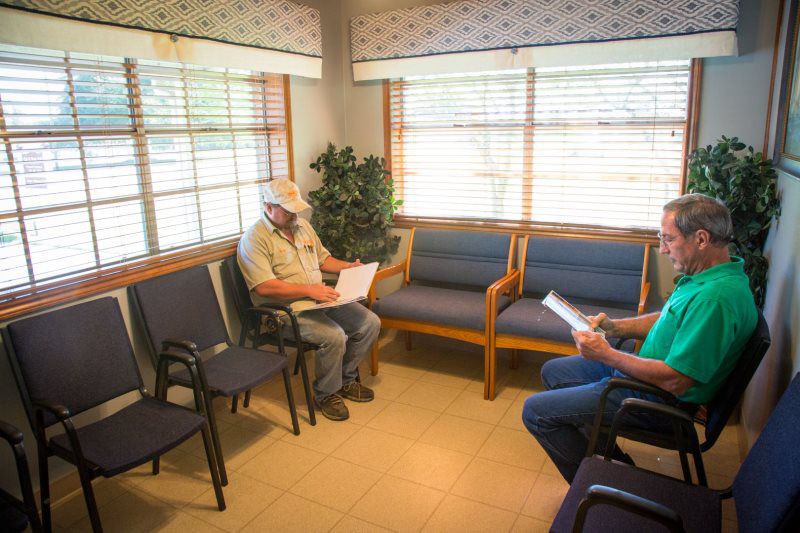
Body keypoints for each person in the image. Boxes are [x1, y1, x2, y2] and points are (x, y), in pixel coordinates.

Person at [521, 193, 758, 483]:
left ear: (701, 239)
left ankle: (600, 487)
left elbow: (676, 381)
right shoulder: (709, 277)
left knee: (535, 412)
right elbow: (668, 319)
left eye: (668, 239)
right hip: (643, 374)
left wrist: (607, 355)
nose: (662, 249)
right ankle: (612, 463)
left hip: (659, 399)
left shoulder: (715, 299)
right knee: (553, 372)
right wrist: (614, 328)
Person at [237, 179, 381, 422]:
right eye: (288, 211)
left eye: (296, 209)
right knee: (334, 336)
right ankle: (326, 394)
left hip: (320, 299)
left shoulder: (302, 226)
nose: (295, 215)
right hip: (286, 312)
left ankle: (345, 380)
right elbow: (264, 287)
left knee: (370, 322)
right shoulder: (254, 239)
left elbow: (323, 260)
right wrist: (309, 290)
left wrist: (348, 267)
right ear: (268, 207)